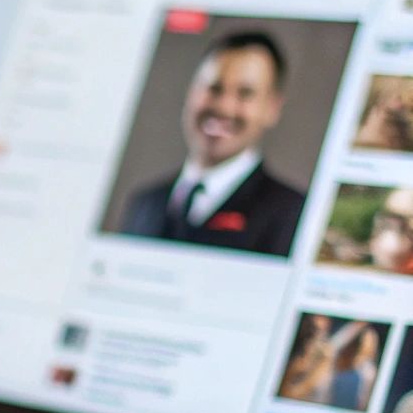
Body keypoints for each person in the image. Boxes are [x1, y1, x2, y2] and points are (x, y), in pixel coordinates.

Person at [118, 31, 305, 257]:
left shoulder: (294, 214)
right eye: (214, 88)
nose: (224, 108)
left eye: (245, 94)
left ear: (272, 109)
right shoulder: (144, 204)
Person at [326, 325, 381, 412]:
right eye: (360, 340)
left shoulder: (369, 371)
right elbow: (333, 345)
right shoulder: (337, 360)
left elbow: (364, 401)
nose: (364, 343)